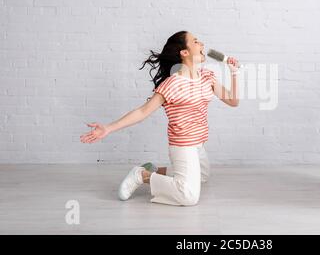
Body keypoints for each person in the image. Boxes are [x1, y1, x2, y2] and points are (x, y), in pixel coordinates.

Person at [80, 31, 239, 206]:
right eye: (195, 41)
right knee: (189, 196)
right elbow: (142, 112)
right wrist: (108, 128)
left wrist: (234, 73)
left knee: (202, 176)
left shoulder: (207, 77)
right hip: (182, 144)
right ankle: (142, 175)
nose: (201, 44)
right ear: (184, 52)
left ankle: (154, 170)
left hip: (198, 142)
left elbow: (233, 101)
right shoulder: (172, 84)